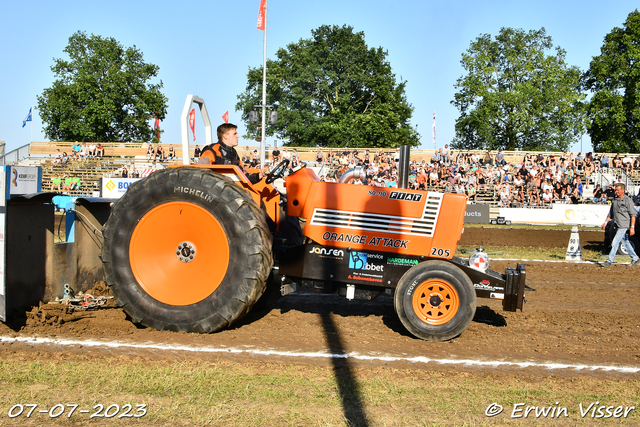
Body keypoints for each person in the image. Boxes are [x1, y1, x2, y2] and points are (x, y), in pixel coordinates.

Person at [198, 123, 268, 184]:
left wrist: (260, 174)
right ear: (225, 136)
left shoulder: (234, 153)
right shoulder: (212, 150)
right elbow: (200, 173)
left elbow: (244, 176)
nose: (238, 136)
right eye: (235, 134)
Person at [601, 183, 639, 267]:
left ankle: (609, 261)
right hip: (617, 224)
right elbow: (610, 213)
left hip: (624, 225)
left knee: (615, 242)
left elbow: (633, 214)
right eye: (615, 190)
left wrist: (632, 227)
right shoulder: (614, 200)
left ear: (623, 190)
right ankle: (635, 258)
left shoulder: (627, 200)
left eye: (618, 190)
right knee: (625, 242)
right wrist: (605, 222)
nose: (616, 191)